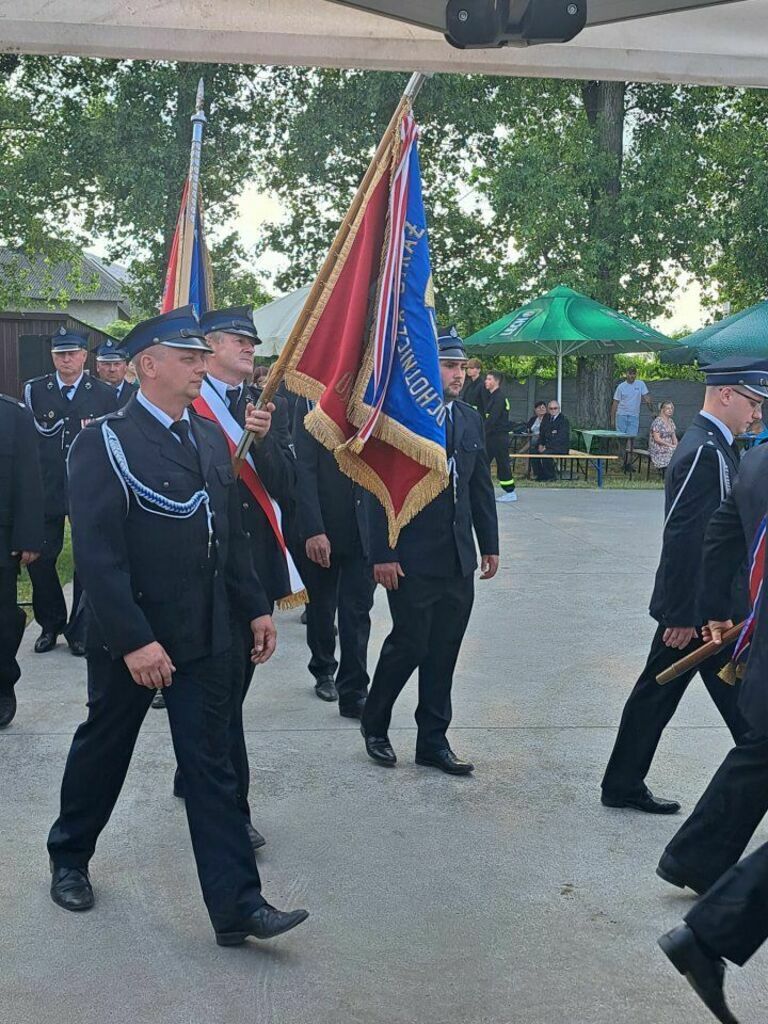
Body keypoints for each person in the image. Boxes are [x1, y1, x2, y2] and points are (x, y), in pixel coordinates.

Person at [46, 305, 308, 945]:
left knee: (211, 766)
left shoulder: (208, 437)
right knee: (105, 750)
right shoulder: (102, 440)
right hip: (133, 639)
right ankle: (70, 857)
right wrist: (135, 641)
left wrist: (253, 607)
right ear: (148, 366)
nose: (200, 367)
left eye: (201, 357)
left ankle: (238, 907)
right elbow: (100, 559)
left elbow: (230, 539)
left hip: (208, 632)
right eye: (188, 358)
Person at [600, 357, 765, 814]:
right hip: (703, 613)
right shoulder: (705, 451)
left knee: (661, 694)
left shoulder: (717, 446)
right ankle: (623, 784)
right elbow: (687, 536)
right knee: (743, 713)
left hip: (711, 609)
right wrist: (681, 614)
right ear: (726, 394)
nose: (757, 414)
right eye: (753, 402)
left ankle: (622, 782)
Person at [171, 304, 302, 852]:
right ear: (208, 347)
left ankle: (199, 772)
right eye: (236, 339)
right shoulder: (183, 407)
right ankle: (230, 807)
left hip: (250, 574)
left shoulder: (263, 406)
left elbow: (288, 485)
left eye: (251, 341)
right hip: (203, 576)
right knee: (218, 705)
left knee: (229, 700)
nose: (249, 347)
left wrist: (265, 440)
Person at [359, 329, 500, 775]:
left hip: (457, 557)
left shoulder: (470, 419)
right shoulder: (397, 420)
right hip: (410, 556)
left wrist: (489, 545)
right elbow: (373, 490)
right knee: (408, 643)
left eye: (461, 366)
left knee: (444, 650)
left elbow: (480, 489)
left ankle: (433, 741)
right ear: (425, 367)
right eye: (448, 365)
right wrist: (382, 552)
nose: (458, 374)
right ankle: (375, 725)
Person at [658, 428, 768, 897]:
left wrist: (714, 612)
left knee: (759, 752)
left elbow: (718, 538)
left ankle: (694, 860)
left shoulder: (756, 461)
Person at [23, 327, 118, 656]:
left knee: (87, 559)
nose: (66, 359)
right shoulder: (35, 391)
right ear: (53, 357)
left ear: (83, 356)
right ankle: (50, 624)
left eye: (72, 353)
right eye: (60, 353)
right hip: (45, 487)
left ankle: (81, 628)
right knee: (41, 558)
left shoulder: (104, 394)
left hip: (87, 486)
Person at [293, 396, 375, 715]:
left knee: (357, 611)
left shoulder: (374, 400)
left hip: (363, 527)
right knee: (322, 605)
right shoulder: (313, 402)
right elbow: (305, 468)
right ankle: (324, 668)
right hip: (325, 525)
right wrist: (313, 529)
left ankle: (354, 689)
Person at [0, 395, 44, 728]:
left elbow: (29, 479)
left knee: (1, 618)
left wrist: (28, 536)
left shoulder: (13, 415)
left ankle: (2, 686)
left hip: (1, 540)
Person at [483, 368, 516, 503]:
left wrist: (481, 432)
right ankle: (482, 489)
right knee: (483, 462)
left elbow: (493, 419)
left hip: (498, 437)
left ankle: (510, 492)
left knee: (502, 463)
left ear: (496, 381)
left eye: (489, 379)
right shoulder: (492, 396)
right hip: (491, 436)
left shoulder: (499, 397)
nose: (486, 381)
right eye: (486, 379)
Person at [611, 365, 654, 438]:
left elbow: (647, 398)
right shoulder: (621, 387)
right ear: (626, 374)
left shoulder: (640, 384)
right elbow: (615, 403)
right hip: (621, 415)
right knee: (621, 437)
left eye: (634, 373)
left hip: (634, 415)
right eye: (630, 373)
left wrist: (652, 411)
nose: (632, 376)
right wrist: (612, 419)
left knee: (631, 437)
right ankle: (622, 449)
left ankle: (629, 449)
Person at [94, 339, 138, 408]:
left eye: (117, 364)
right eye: (107, 364)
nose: (112, 369)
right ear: (97, 367)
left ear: (126, 366)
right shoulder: (86, 394)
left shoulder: (138, 395)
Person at [536, 399, 570, 481]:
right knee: (533, 451)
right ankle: (540, 475)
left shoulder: (563, 420)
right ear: (548, 409)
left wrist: (546, 447)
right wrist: (540, 444)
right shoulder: (546, 418)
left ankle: (551, 477)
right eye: (551, 408)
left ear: (559, 409)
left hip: (560, 446)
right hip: (548, 445)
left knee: (545, 454)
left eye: (555, 408)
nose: (553, 410)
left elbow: (560, 438)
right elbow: (542, 433)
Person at [648, 400, 678, 474]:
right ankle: (665, 471)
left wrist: (676, 445)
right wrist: (670, 445)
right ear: (662, 410)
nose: (670, 410)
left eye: (671, 408)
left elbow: (674, 436)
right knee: (671, 450)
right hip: (658, 446)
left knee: (679, 450)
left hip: (669, 445)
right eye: (668, 408)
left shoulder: (671, 421)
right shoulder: (658, 422)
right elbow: (657, 439)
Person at [524, 399, 548, 480]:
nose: (541, 409)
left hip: (543, 441)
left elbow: (546, 432)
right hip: (532, 439)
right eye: (539, 408)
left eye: (543, 408)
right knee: (530, 447)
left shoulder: (548, 419)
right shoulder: (533, 419)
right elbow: (528, 428)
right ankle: (527, 472)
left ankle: (519, 453)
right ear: (535, 410)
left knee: (531, 446)